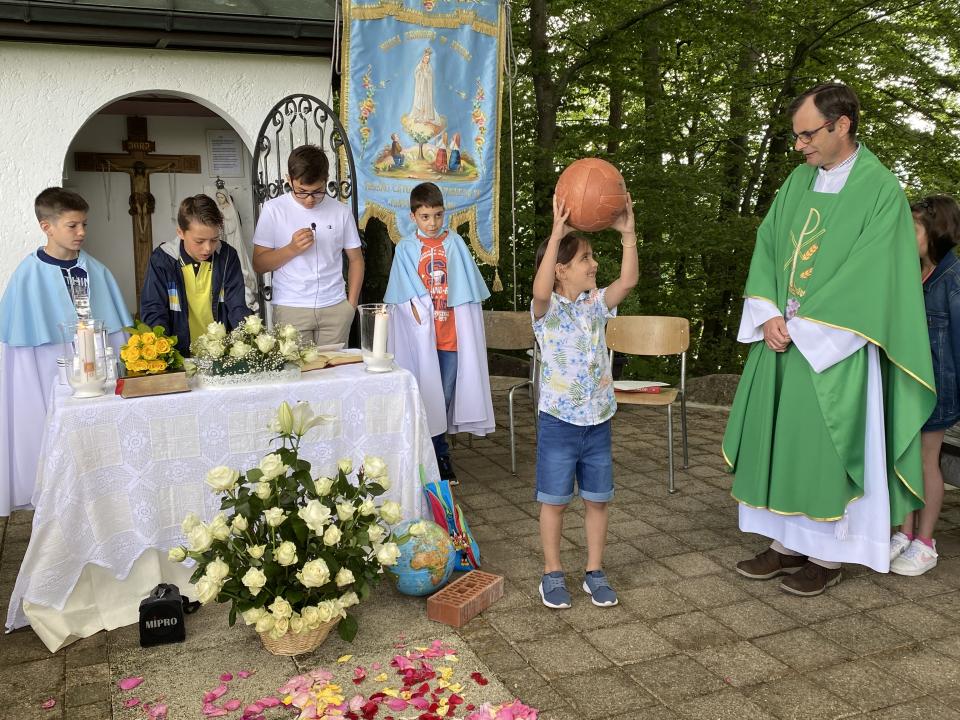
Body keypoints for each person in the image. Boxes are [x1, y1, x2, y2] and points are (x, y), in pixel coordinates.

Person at [723, 83, 935, 596]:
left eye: (807, 134)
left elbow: (873, 275)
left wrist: (804, 328)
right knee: (780, 441)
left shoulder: (881, 191)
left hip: (833, 346)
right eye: (796, 137)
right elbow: (769, 246)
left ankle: (828, 554)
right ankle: (783, 545)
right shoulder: (797, 183)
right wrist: (769, 313)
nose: (799, 146)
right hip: (782, 339)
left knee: (824, 449)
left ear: (842, 125)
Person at [531, 192, 638, 610]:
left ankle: (595, 571)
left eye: (592, 256)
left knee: (598, 499)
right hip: (558, 422)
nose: (594, 264)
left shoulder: (596, 305)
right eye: (585, 259)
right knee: (553, 502)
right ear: (561, 270)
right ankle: (552, 573)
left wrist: (628, 235)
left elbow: (627, 282)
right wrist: (558, 232)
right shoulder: (548, 309)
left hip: (598, 422)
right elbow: (540, 288)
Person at [0, 187, 131, 515]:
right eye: (73, 226)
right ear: (47, 226)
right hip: (46, 364)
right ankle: (51, 495)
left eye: (84, 224)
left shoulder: (97, 271)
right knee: (48, 429)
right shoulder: (27, 276)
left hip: (96, 363)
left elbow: (116, 336)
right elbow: (18, 349)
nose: (82, 232)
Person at [384, 182, 495, 482]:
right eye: (425, 216)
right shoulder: (406, 248)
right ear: (413, 216)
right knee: (423, 396)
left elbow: (468, 291)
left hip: (451, 338)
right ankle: (430, 457)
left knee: (442, 398)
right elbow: (400, 294)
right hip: (420, 340)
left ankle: (439, 456)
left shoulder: (456, 244)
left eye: (437, 215)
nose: (432, 223)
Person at [889, 195, 960, 575]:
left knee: (925, 461)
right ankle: (904, 531)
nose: (906, 234)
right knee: (903, 458)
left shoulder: (953, 280)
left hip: (937, 392)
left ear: (936, 233)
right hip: (905, 386)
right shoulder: (911, 274)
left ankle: (926, 542)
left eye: (914, 228)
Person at [252, 145, 364, 346]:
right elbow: (259, 264)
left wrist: (351, 305)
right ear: (289, 179)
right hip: (290, 307)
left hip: (335, 307)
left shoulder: (341, 211)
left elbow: (356, 259)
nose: (310, 199)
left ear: (326, 179)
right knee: (297, 374)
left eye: (318, 192)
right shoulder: (273, 210)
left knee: (334, 374)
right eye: (302, 192)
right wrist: (291, 249)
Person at [140, 194, 252, 356]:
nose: (207, 248)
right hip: (178, 355)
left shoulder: (227, 256)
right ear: (180, 232)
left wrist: (247, 344)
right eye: (199, 241)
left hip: (221, 354)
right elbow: (154, 311)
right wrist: (164, 354)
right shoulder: (163, 260)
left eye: (214, 240)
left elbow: (237, 307)